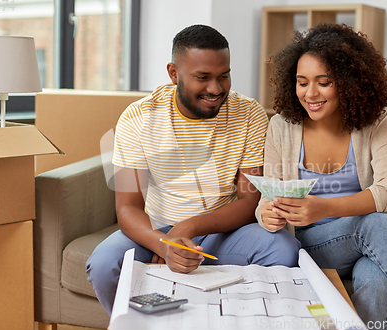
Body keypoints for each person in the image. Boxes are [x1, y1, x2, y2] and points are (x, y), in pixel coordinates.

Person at [256, 23, 387, 330]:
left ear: (348, 82)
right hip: (312, 245)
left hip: (370, 241)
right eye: (302, 82)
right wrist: (268, 215)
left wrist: (325, 207)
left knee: (376, 279)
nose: (310, 93)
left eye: (323, 82)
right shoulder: (282, 127)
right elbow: (264, 201)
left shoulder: (375, 120)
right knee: (375, 223)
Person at [86, 24, 300, 315]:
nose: (216, 89)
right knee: (103, 263)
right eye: (203, 78)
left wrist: (187, 228)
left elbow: (250, 201)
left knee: (284, 249)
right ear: (174, 73)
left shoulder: (248, 114)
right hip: (157, 229)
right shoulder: (138, 117)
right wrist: (164, 245)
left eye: (223, 76)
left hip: (223, 231)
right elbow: (127, 208)